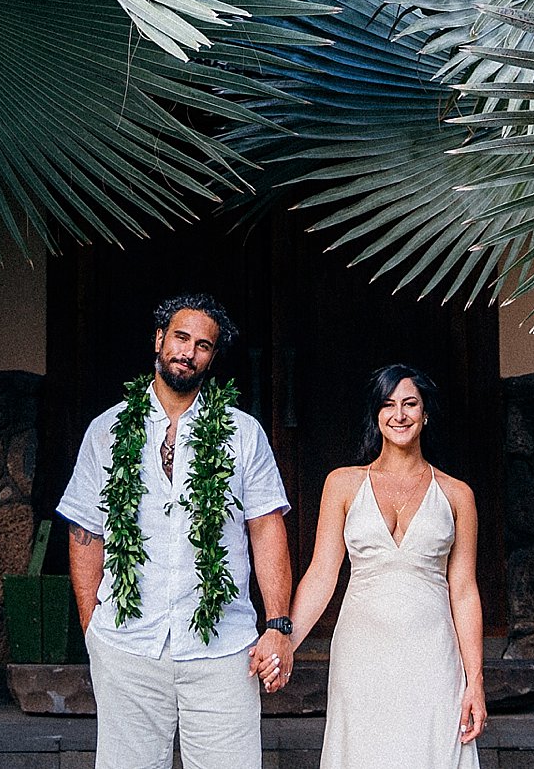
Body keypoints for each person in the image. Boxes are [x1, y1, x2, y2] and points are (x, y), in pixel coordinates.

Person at [57, 293, 297, 769]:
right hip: (127, 646)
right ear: (159, 340)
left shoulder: (241, 432)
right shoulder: (106, 431)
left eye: (203, 345)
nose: (188, 352)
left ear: (212, 357)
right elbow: (86, 531)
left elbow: (267, 531)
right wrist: (94, 632)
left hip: (222, 648)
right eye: (181, 338)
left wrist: (277, 626)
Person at [284, 364, 486, 769]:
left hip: (432, 652)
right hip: (362, 651)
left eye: (410, 404)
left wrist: (475, 680)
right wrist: (285, 643)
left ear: (425, 413)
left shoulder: (457, 494)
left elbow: (463, 589)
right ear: (376, 415)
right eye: (388, 405)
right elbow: (323, 574)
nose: (400, 415)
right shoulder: (342, 483)